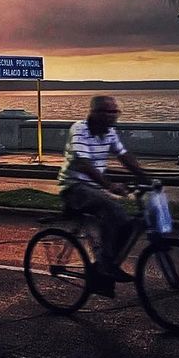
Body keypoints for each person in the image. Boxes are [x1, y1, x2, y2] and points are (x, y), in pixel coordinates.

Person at [57, 95, 151, 284]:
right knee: (114, 210)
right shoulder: (79, 129)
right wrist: (110, 185)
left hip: (93, 188)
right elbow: (83, 164)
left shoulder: (109, 132)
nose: (112, 115)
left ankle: (106, 264)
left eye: (115, 112)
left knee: (127, 223)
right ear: (94, 113)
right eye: (107, 112)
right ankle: (105, 265)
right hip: (74, 187)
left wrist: (144, 177)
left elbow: (123, 155)